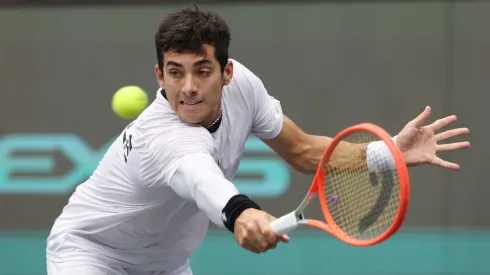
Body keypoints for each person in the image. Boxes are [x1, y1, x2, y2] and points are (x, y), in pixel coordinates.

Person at [46, 6, 470, 275]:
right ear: (159, 75)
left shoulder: (244, 87)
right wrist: (243, 216)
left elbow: (304, 152)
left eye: (202, 70)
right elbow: (205, 184)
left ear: (227, 72)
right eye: (175, 72)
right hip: (92, 252)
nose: (188, 86)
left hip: (164, 264)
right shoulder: (163, 138)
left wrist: (389, 150)